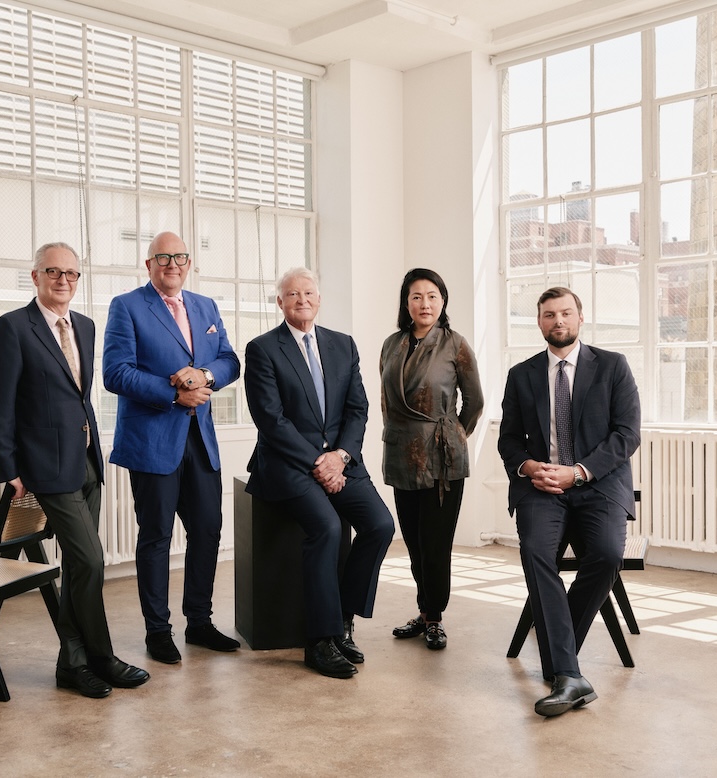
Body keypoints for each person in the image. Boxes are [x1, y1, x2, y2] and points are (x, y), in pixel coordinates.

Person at [0, 242, 150, 699]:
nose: (63, 281)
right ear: (34, 276)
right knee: (91, 561)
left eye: (72, 274)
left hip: (86, 461)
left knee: (79, 566)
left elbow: (78, 397)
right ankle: (100, 656)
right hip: (43, 467)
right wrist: (8, 468)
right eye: (53, 272)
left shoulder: (87, 327)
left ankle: (73, 664)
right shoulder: (12, 328)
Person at [243, 268, 395, 679]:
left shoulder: (342, 345)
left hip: (341, 462)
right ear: (280, 302)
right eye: (292, 294)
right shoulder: (262, 349)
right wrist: (319, 462)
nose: (302, 299)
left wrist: (342, 456)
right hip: (289, 464)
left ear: (319, 298)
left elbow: (358, 409)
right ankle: (319, 641)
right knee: (327, 527)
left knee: (381, 525)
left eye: (308, 292)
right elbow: (271, 421)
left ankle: (344, 619)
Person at [498, 286, 640, 718]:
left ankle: (564, 666)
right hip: (543, 488)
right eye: (547, 315)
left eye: (565, 313)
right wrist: (529, 468)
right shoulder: (522, 374)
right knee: (536, 552)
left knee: (607, 554)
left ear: (580, 318)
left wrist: (578, 471)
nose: (557, 321)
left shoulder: (613, 366)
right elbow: (508, 440)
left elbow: (627, 434)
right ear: (539, 322)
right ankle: (568, 672)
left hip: (596, 485)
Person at [103, 231, 241, 665]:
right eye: (162, 258)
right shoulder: (126, 307)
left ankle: (198, 622)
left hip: (200, 442)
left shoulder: (206, 306)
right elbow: (115, 373)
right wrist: (172, 391)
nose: (172, 264)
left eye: (180, 257)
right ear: (149, 265)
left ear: (188, 263)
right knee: (157, 537)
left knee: (208, 532)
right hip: (152, 442)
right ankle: (157, 631)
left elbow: (230, 361)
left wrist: (204, 375)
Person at [380, 268, 483, 650]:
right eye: (416, 296)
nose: (425, 303)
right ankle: (424, 613)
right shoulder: (392, 344)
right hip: (401, 452)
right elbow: (387, 402)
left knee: (436, 544)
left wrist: (453, 436)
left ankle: (435, 617)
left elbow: (475, 402)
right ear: (406, 303)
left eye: (432, 296)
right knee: (413, 541)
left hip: (442, 459)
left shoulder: (455, 344)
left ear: (443, 302)